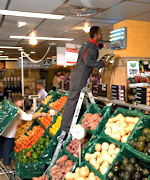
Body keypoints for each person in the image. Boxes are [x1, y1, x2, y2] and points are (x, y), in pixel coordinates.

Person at [60, 26, 109, 133]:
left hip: (78, 74)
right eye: (100, 33)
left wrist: (101, 45)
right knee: (72, 100)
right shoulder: (91, 47)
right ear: (95, 35)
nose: (102, 35)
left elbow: (91, 51)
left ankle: (65, 125)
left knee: (72, 99)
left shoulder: (87, 44)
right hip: (81, 75)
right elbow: (89, 61)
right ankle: (65, 127)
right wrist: (102, 64)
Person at [0, 94, 47, 170]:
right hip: (9, 135)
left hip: (4, 132)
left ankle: (3, 162)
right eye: (21, 101)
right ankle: (7, 166)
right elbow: (28, 117)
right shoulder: (16, 110)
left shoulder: (11, 107)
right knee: (8, 149)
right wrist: (41, 114)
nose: (22, 102)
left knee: (4, 147)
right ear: (16, 101)